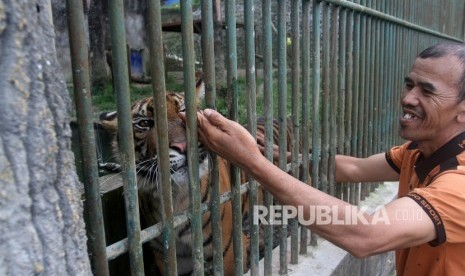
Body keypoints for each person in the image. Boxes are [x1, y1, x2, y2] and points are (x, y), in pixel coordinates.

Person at [189, 42, 465, 275]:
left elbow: (367, 235)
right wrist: (286, 158)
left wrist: (251, 162)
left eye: (427, 91)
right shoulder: (419, 150)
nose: (408, 98)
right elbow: (354, 168)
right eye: (409, 85)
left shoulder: (459, 183)